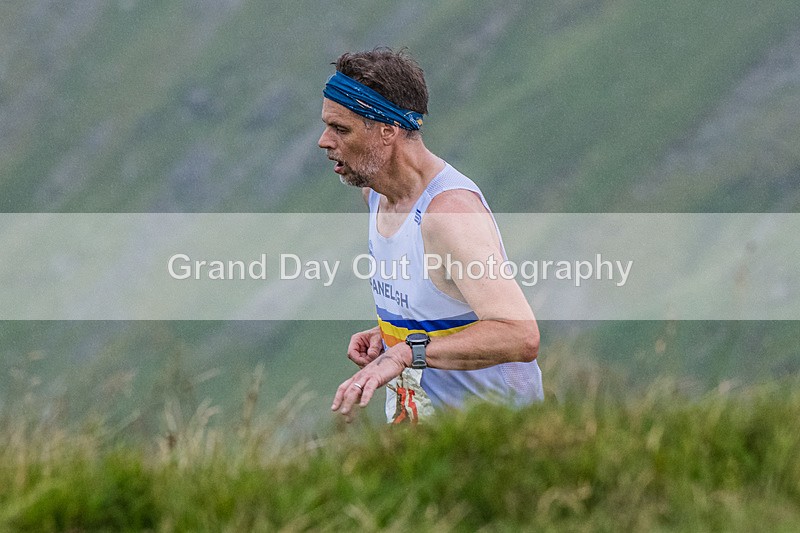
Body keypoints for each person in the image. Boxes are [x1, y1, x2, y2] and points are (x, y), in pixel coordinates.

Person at [318, 48, 543, 423]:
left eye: (341, 129)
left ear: (387, 131)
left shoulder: (449, 215)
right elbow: (446, 302)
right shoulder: (374, 193)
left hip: (500, 440)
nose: (324, 141)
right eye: (327, 126)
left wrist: (407, 351)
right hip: (426, 438)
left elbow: (520, 335)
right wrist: (392, 333)